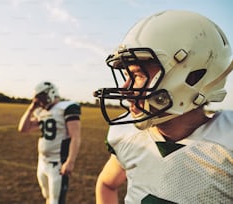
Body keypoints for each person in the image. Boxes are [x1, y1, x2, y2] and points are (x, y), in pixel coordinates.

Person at [94, 10, 233, 204]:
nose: (125, 88)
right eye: (127, 75)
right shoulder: (127, 136)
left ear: (193, 76)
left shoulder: (227, 145)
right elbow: (107, 184)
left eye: (139, 74)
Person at [18, 81, 81, 204]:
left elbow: (76, 137)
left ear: (51, 92)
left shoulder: (66, 107)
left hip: (57, 163)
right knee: (47, 196)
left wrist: (70, 161)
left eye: (40, 98)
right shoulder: (41, 112)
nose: (39, 102)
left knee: (55, 200)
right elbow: (23, 128)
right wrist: (31, 108)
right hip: (42, 162)